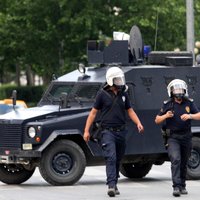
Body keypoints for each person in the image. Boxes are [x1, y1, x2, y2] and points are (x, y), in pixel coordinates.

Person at [83, 66, 144, 197]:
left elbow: (130, 110)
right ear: (110, 80)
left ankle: (114, 182)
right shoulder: (102, 95)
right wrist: (86, 131)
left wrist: (138, 123)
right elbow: (93, 113)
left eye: (120, 79)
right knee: (111, 157)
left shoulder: (123, 94)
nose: (120, 81)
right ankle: (111, 185)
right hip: (107, 132)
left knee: (117, 159)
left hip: (121, 132)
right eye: (117, 79)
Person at [155, 79, 200, 197]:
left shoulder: (189, 103)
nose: (179, 92)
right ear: (171, 91)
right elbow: (157, 120)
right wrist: (166, 115)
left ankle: (182, 185)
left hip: (186, 136)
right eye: (176, 90)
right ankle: (176, 186)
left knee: (184, 161)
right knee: (176, 159)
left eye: (181, 90)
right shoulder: (167, 104)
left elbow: (199, 115)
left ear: (185, 90)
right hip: (173, 137)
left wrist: (190, 115)